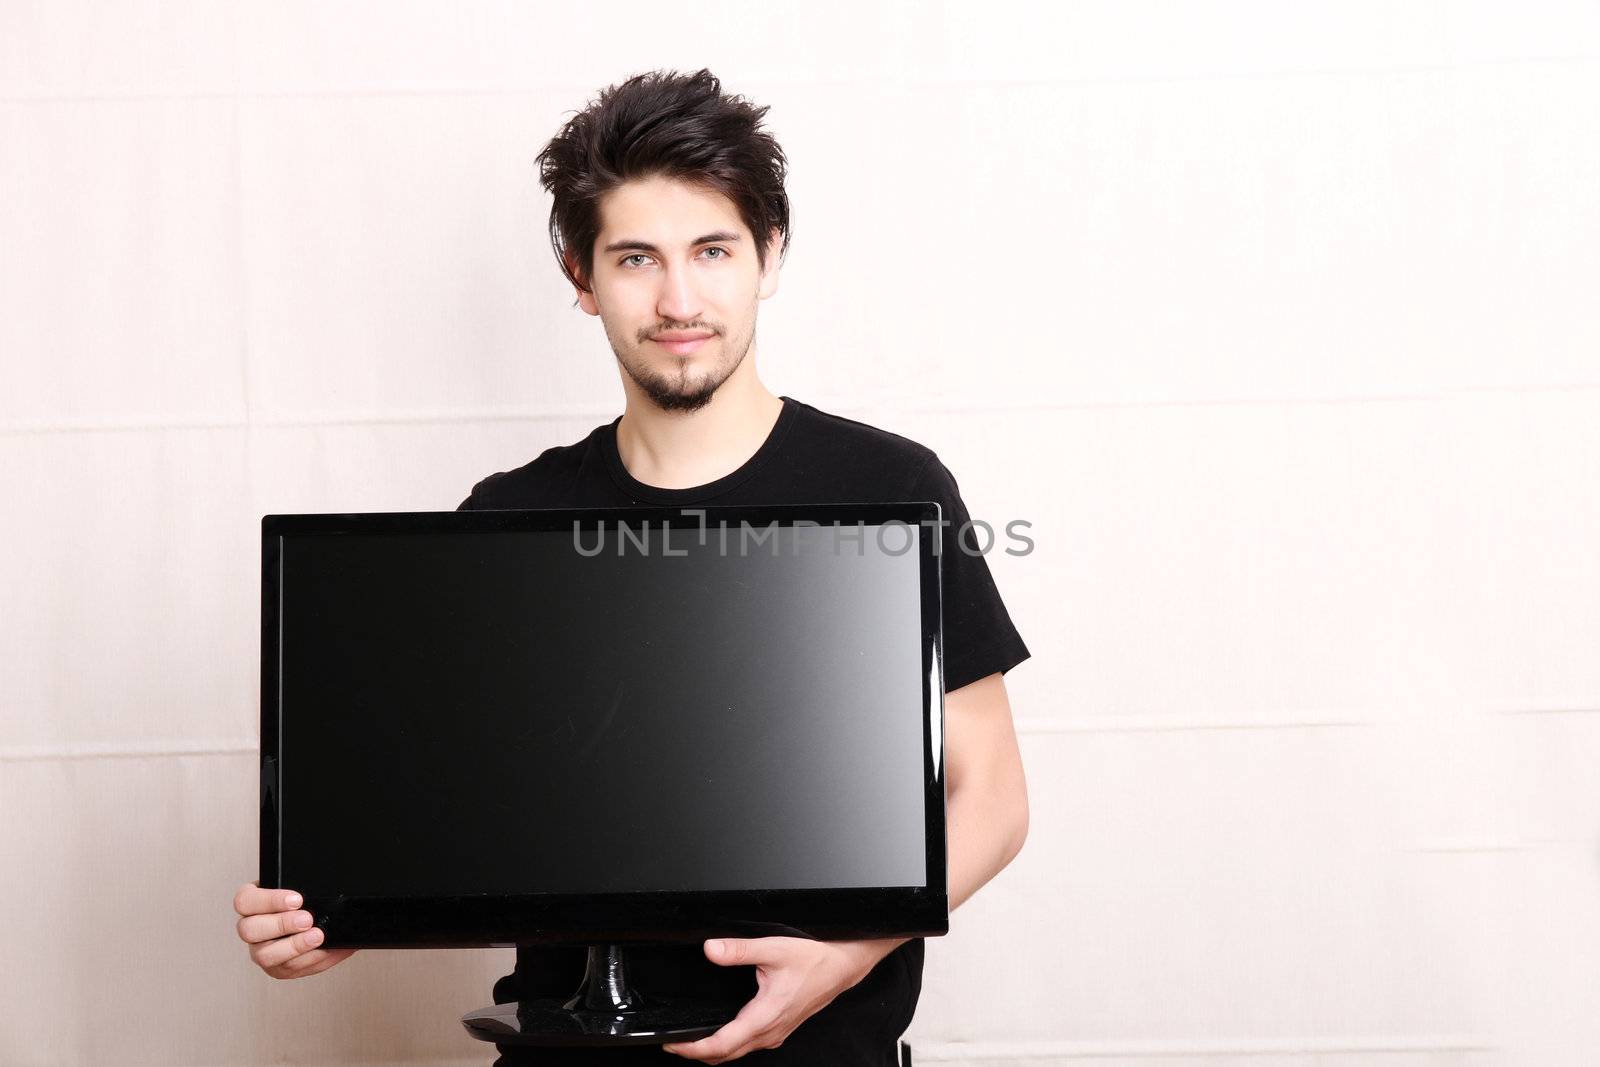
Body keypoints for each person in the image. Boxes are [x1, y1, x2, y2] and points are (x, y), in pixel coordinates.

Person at [233, 68, 1031, 1066]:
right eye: (635, 258)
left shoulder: (888, 485)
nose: (677, 298)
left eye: (711, 250)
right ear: (581, 276)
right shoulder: (510, 516)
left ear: (767, 256)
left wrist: (844, 953)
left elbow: (992, 791)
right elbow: (463, 807)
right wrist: (330, 919)